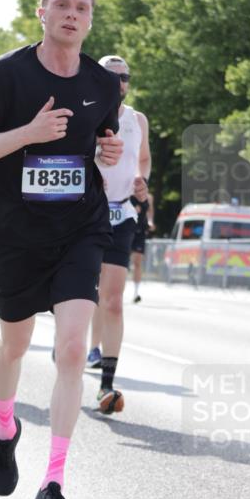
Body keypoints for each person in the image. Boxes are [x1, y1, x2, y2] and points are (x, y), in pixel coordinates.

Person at [0, 0, 123, 499]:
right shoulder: (9, 73)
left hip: (80, 229)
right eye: (62, 5)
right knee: (14, 346)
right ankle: (5, 429)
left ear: (90, 19)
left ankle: (53, 485)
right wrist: (27, 133)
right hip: (16, 233)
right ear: (43, 12)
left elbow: (101, 142)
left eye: (82, 8)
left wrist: (108, 151)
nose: (72, 14)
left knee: (73, 349)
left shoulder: (102, 83)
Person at [86, 55, 151, 414]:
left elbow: (144, 159)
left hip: (121, 214)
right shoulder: (82, 114)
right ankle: (67, 343)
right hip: (82, 215)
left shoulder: (137, 120)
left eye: (124, 77)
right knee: (78, 295)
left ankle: (106, 384)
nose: (119, 83)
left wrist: (142, 181)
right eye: (111, 77)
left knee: (112, 301)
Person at [130, 191, 155, 302]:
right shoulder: (127, 192)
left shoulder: (149, 197)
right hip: (127, 230)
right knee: (121, 262)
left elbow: (150, 212)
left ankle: (136, 293)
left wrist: (150, 222)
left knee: (137, 262)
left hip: (140, 232)